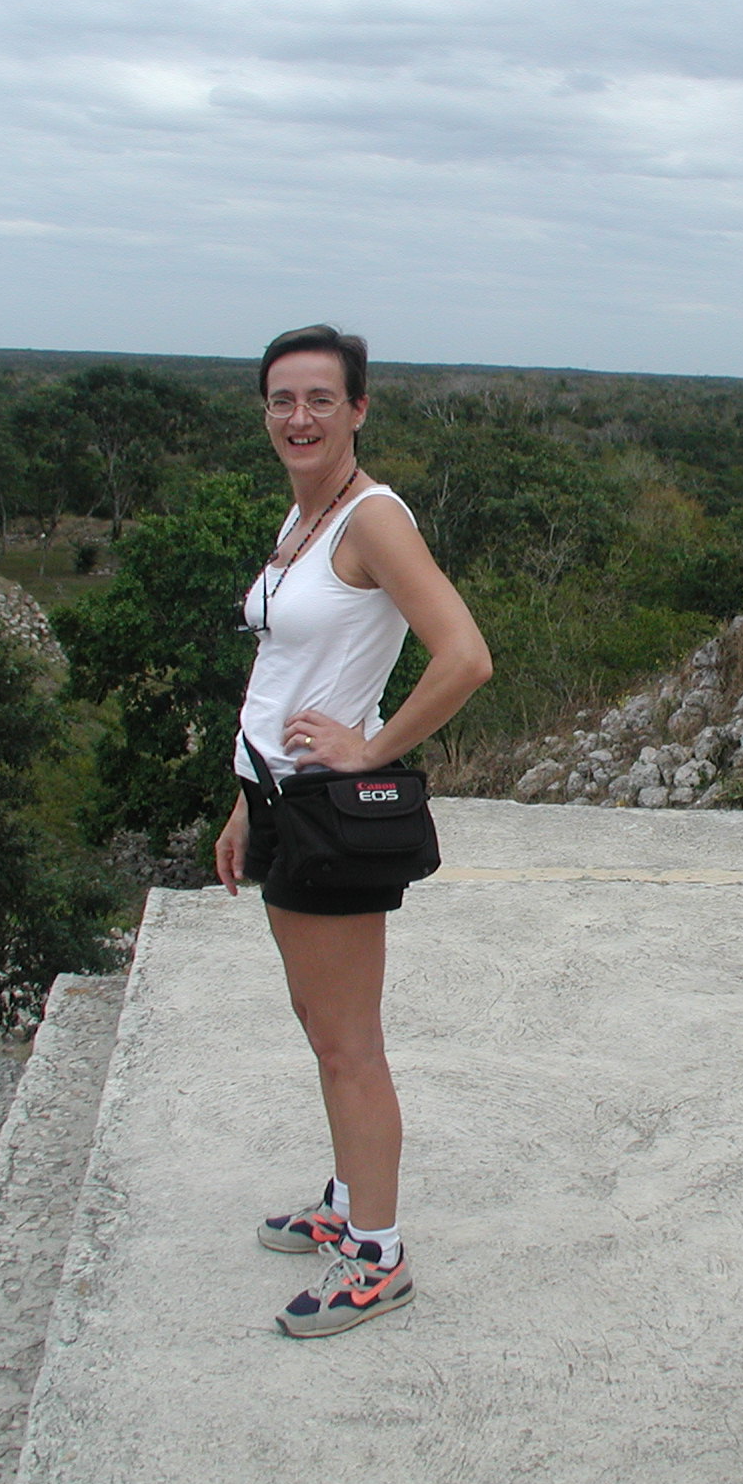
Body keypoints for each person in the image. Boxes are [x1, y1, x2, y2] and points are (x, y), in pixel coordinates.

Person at [214, 323, 491, 1339]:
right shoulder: (305, 517)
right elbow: (284, 674)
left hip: (327, 815)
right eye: (282, 399)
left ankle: (376, 1257)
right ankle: (345, 1202)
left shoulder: (372, 519)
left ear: (357, 409)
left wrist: (369, 749)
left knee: (348, 1046)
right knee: (320, 1025)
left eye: (320, 399)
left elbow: (464, 655)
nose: (299, 417)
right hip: (279, 802)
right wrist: (242, 799)